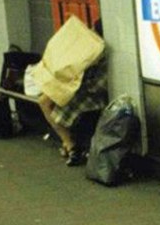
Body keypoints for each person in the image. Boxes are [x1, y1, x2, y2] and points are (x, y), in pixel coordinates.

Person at [37, 19, 107, 166]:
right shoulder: (91, 48)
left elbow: (97, 85)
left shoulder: (102, 53)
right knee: (44, 101)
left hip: (89, 92)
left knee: (46, 102)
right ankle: (69, 143)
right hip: (78, 86)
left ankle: (69, 144)